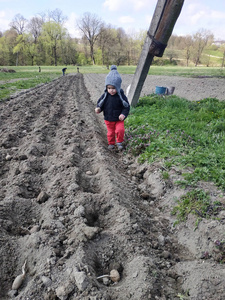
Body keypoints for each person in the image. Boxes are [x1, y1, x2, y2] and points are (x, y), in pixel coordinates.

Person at [95, 65, 130, 150]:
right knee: (110, 132)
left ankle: (119, 142)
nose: (111, 90)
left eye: (113, 88)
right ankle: (111, 143)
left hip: (119, 119)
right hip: (108, 118)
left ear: (117, 87)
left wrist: (123, 114)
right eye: (109, 88)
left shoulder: (121, 96)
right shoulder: (105, 96)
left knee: (120, 130)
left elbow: (126, 107)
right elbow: (100, 104)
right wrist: (99, 109)